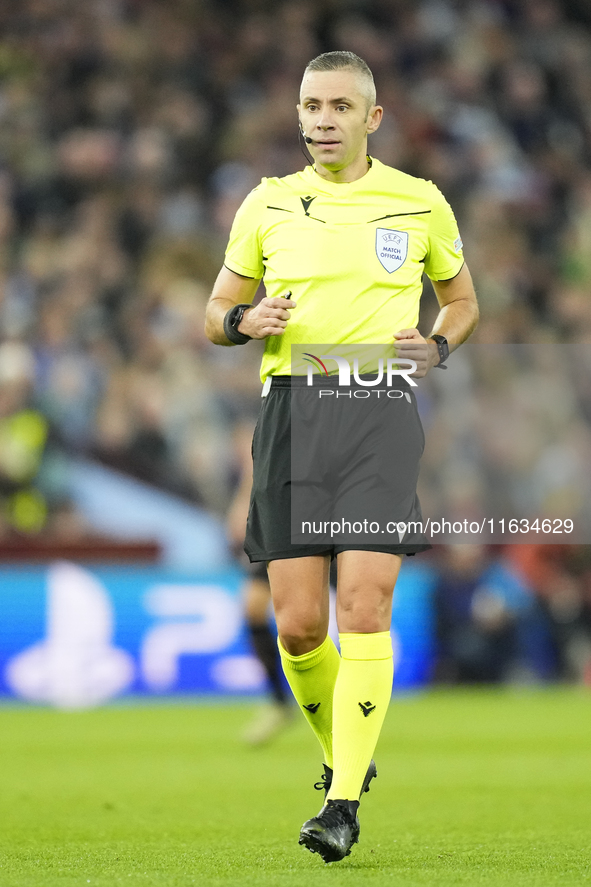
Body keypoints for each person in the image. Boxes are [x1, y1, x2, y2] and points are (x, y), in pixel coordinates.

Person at [205, 51, 479, 863]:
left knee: (364, 605)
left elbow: (462, 303)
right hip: (291, 409)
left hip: (377, 408)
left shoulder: (418, 201)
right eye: (309, 106)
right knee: (296, 627)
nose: (320, 120)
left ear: (371, 118)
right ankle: (343, 754)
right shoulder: (266, 203)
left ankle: (342, 801)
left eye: (336, 107)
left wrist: (434, 345)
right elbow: (215, 308)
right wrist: (241, 321)